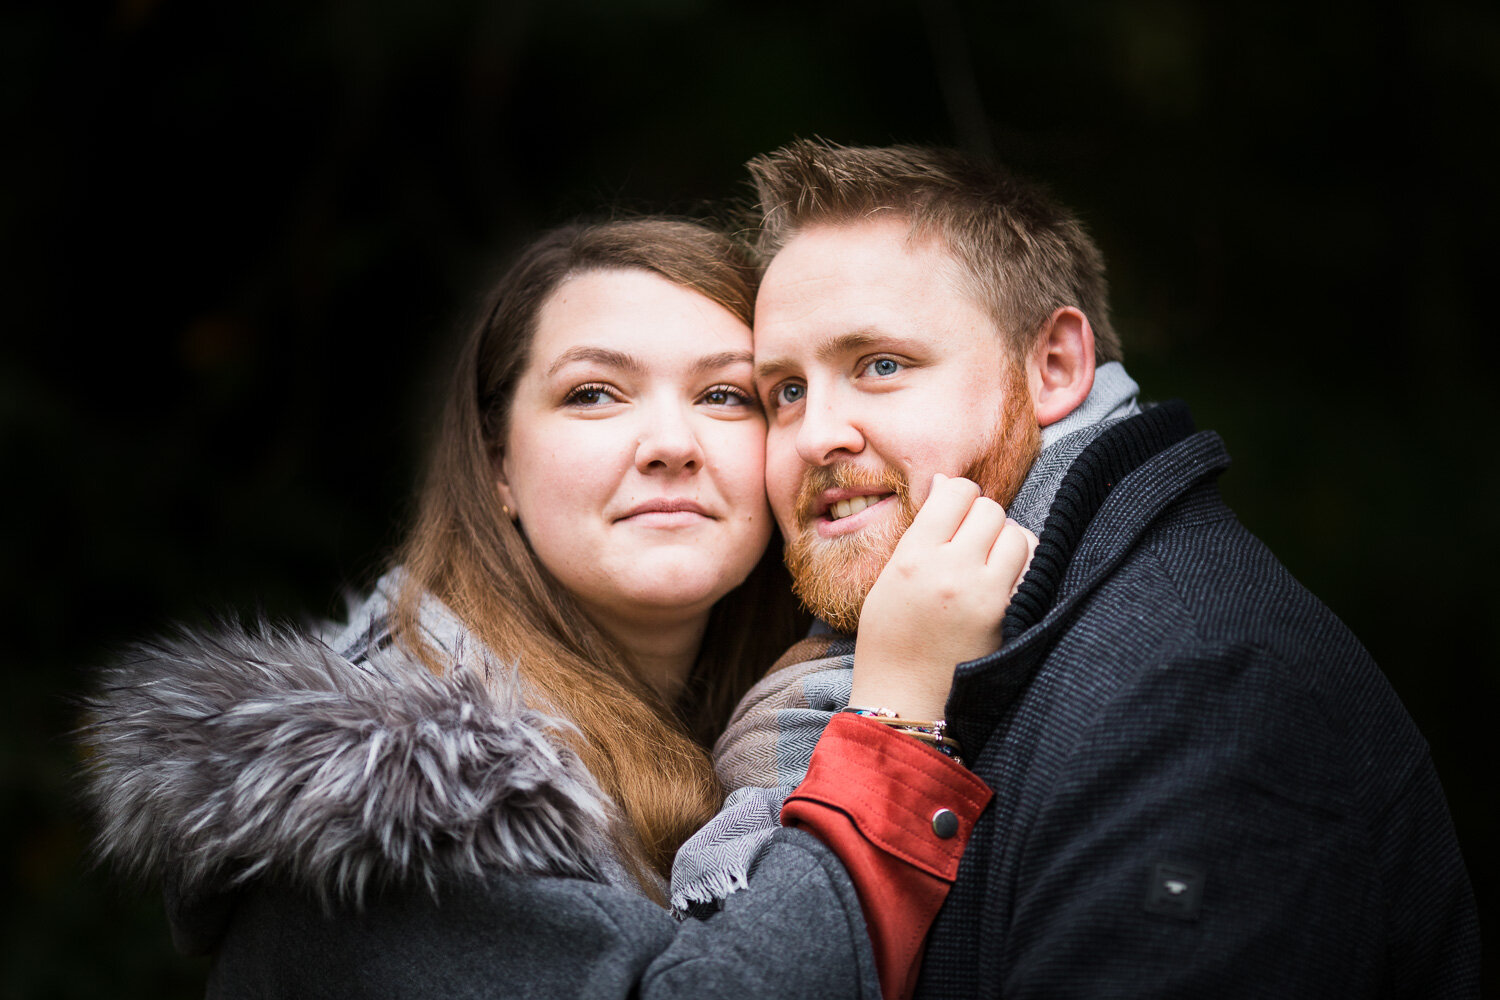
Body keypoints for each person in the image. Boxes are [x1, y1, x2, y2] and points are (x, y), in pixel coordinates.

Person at [81, 217, 1031, 1000]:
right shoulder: (410, 791)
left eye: (727, 395)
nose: (671, 442)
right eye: (593, 393)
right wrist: (898, 717)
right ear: (498, 466)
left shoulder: (758, 725)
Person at [716, 140, 1481, 998]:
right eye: (784, 390)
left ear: (1055, 368)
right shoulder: (850, 669)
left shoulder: (1195, 692)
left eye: (882, 366)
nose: (817, 433)